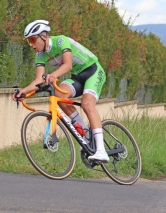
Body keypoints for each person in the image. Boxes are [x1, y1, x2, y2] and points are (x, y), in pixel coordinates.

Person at [12, 20, 109, 162]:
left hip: (93, 71)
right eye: (28, 41)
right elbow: (39, 79)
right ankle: (86, 133)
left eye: (32, 39)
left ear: (43, 36)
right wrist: (23, 92)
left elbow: (68, 65)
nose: (31, 45)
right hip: (78, 77)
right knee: (59, 96)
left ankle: (101, 151)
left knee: (88, 105)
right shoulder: (40, 55)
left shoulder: (61, 41)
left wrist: (54, 75)